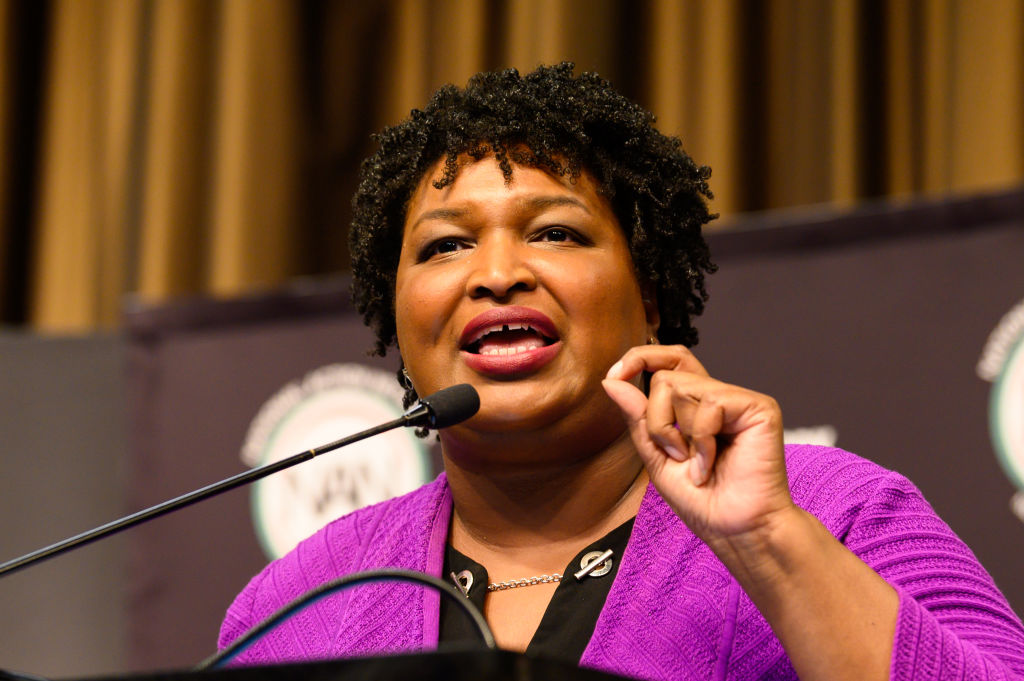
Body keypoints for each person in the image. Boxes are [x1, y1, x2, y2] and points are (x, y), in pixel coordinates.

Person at [218, 64, 1024, 680]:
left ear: (650, 295)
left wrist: (767, 542)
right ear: (395, 311)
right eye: (445, 245)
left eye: (557, 233)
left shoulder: (836, 512)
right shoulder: (298, 600)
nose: (495, 273)